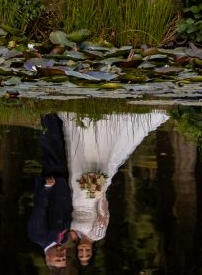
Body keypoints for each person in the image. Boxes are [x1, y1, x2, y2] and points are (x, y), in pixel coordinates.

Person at [57, 111, 170, 263]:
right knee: (97, 160)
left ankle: (83, 123)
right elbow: (104, 214)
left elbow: (66, 213)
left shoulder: (74, 234)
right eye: (87, 252)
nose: (83, 250)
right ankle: (98, 128)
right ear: (92, 250)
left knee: (78, 158)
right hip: (92, 196)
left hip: (76, 196)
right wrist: (100, 193)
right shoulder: (97, 235)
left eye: (81, 253)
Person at [27, 114, 74, 270]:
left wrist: (47, 188)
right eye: (63, 259)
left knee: (50, 146)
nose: (61, 256)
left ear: (48, 259)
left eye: (57, 259)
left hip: (52, 182)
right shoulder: (64, 237)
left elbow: (39, 210)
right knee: (60, 145)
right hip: (64, 183)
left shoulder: (38, 237)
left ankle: (46, 113)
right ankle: (55, 115)